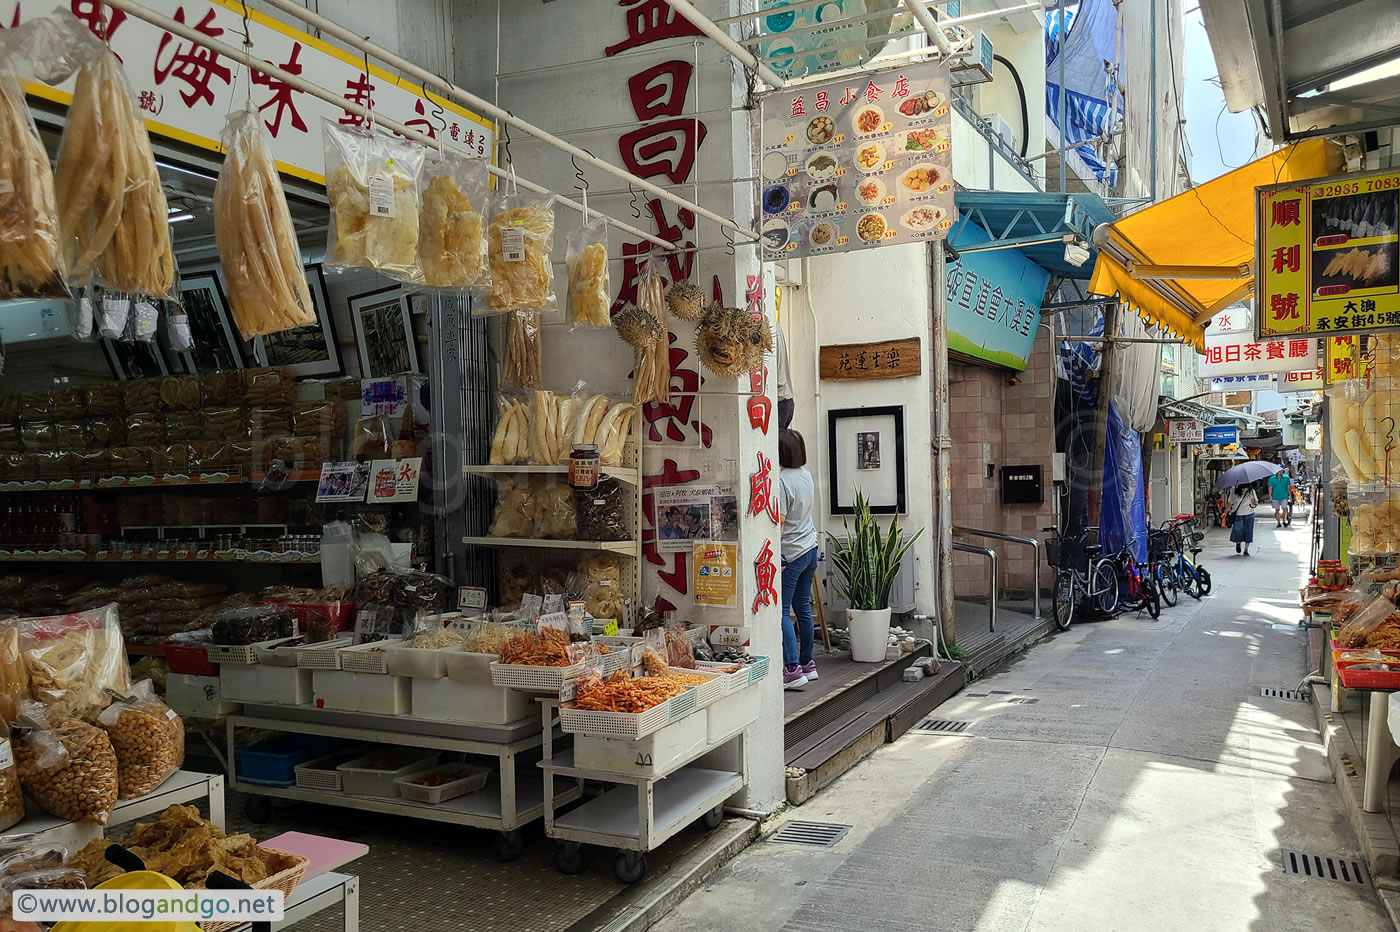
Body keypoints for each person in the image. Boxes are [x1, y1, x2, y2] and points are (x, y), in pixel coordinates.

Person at [778, 428, 819, 689]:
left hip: (791, 553)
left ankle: (792, 670)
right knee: (802, 607)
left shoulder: (781, 480)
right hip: (810, 549)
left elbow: (780, 522)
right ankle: (808, 664)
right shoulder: (806, 475)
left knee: (782, 610)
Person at [1227, 483, 1260, 555]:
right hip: (1238, 514)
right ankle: (1238, 543)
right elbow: (1230, 502)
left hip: (1249, 513)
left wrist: (1254, 502)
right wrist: (1226, 511)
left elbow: (1256, 502)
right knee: (1238, 531)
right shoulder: (1233, 490)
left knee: (1248, 531)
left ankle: (1246, 549)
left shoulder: (1251, 491)